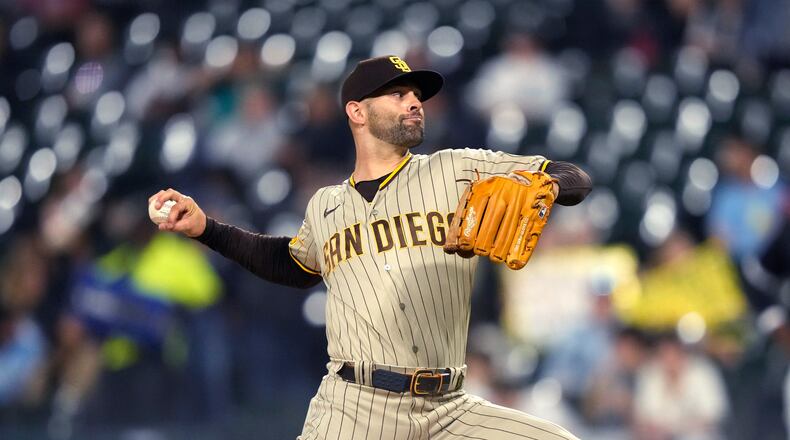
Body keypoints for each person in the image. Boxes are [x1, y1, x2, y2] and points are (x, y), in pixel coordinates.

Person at [149, 55, 592, 439]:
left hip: (449, 407)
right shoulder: (325, 205)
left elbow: (575, 176)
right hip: (355, 408)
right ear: (357, 112)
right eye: (397, 94)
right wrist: (207, 228)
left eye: (416, 95)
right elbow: (291, 266)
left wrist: (546, 185)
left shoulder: (458, 169)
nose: (415, 102)